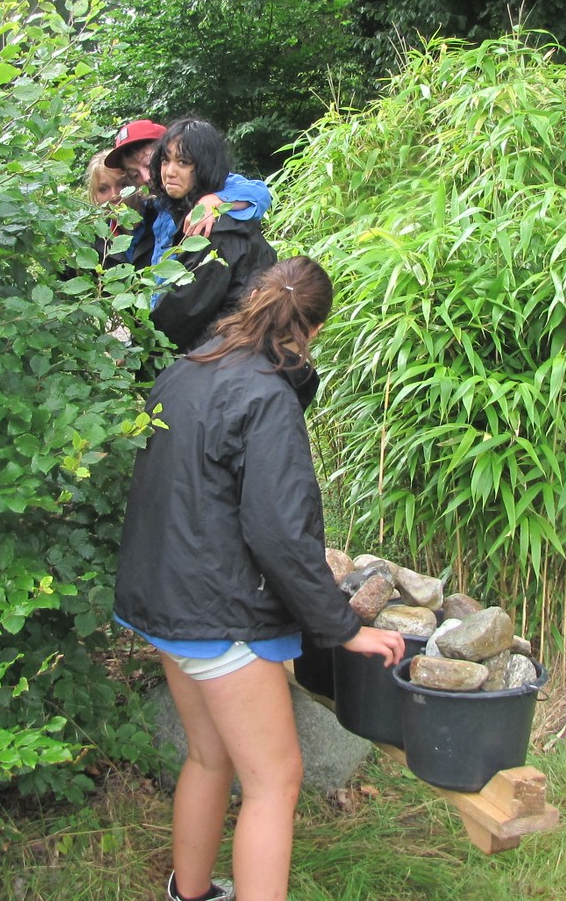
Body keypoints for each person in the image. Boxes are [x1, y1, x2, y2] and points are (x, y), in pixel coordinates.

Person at [113, 257, 406, 901]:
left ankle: (187, 893)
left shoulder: (190, 367)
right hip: (218, 617)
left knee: (209, 756)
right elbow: (280, 535)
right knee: (276, 780)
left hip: (163, 603)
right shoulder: (267, 396)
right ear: (315, 329)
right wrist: (342, 627)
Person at [145, 118, 279, 354]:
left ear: (205, 166)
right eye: (166, 160)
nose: (170, 172)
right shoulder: (176, 211)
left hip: (216, 360)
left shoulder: (211, 228)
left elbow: (182, 312)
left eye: (184, 162)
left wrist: (141, 352)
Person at [104, 118, 271, 260]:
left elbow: (260, 193)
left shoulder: (210, 186)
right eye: (134, 175)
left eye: (149, 164)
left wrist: (215, 201)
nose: (146, 178)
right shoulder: (152, 207)